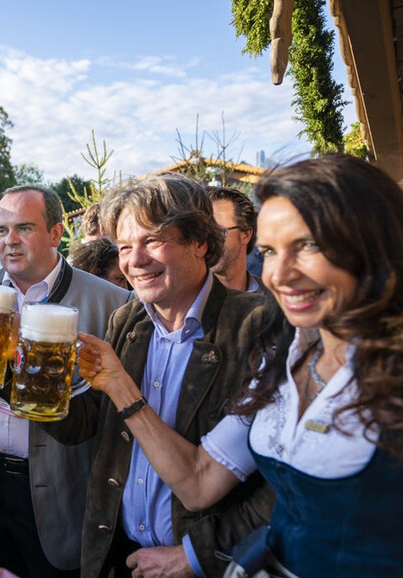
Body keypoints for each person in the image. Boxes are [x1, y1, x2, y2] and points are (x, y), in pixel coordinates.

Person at [77, 155, 403, 577]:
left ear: (370, 241)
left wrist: (196, 555)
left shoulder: (260, 333)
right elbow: (199, 481)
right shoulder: (286, 356)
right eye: (269, 252)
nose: (279, 274)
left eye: (307, 245)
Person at [46, 173, 274, 578]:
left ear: (200, 241)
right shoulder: (127, 320)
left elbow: (280, 485)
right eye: (124, 247)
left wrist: (196, 555)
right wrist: (25, 381)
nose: (135, 260)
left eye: (153, 241)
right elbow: (87, 424)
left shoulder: (256, 326)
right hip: (124, 558)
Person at [0, 185, 132, 578]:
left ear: (56, 233)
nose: (9, 241)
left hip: (61, 489)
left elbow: (107, 413)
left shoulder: (111, 302)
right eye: (1, 230)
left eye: (24, 228)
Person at [207, 186, 261, 292]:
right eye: (203, 231)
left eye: (218, 231)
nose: (208, 242)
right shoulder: (183, 301)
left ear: (245, 235)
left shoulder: (276, 301)